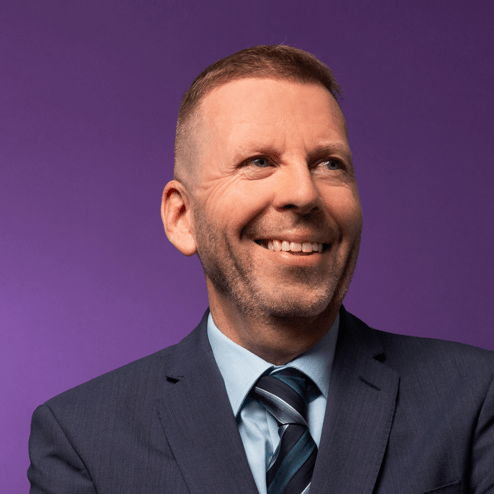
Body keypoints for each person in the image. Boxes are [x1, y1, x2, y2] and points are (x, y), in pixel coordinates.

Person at [28, 45, 494, 494]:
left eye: (329, 164)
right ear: (182, 218)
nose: (304, 194)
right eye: (259, 162)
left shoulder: (475, 397)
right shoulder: (82, 440)